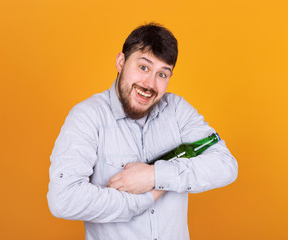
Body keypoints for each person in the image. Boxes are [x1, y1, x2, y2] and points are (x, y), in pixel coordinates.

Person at [47, 23, 238, 240]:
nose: (150, 84)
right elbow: (63, 199)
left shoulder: (177, 110)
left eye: (162, 74)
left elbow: (226, 165)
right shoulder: (87, 117)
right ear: (121, 62)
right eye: (144, 67)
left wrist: (153, 175)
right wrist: (144, 198)